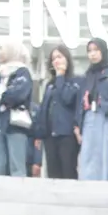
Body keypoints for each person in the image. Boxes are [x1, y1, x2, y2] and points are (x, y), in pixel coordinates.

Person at [75, 38, 108, 182]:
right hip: (89, 120)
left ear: (103, 51)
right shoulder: (87, 75)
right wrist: (77, 125)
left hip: (107, 118)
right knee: (90, 155)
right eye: (89, 51)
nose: (92, 54)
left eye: (96, 50)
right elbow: (81, 101)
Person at [0, 39, 33, 177]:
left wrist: (0, 99)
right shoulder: (1, 74)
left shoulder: (23, 72)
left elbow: (17, 94)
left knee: (16, 164)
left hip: (15, 124)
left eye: (2, 49)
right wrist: (1, 102)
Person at [35, 44, 80, 179]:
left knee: (68, 171)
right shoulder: (50, 85)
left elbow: (67, 98)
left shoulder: (74, 82)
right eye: (54, 58)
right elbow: (44, 109)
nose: (56, 61)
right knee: (53, 174)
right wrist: (39, 133)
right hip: (50, 136)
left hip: (66, 135)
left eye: (59, 57)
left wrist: (60, 76)